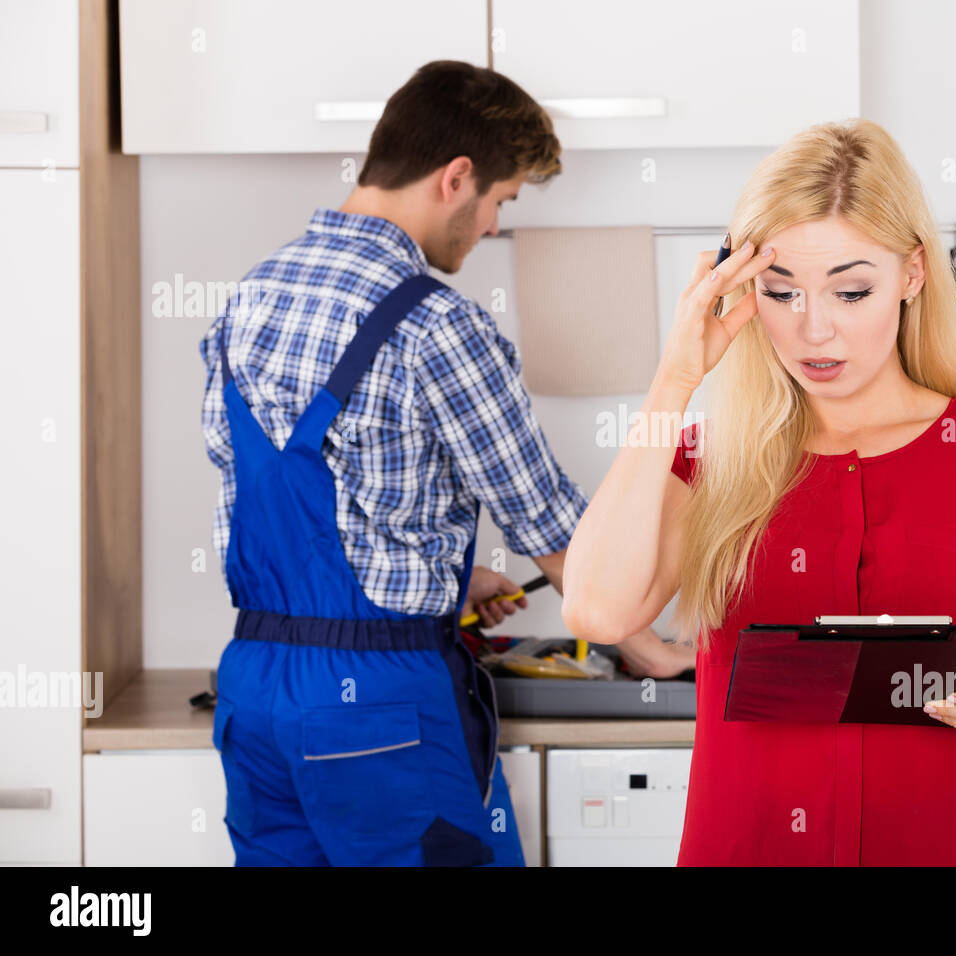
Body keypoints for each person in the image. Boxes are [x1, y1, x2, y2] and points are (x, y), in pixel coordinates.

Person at [561, 118, 956, 866]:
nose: (814, 331)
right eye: (781, 292)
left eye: (850, 292)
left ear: (912, 275)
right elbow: (595, 608)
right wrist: (675, 380)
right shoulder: (708, 461)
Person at [199, 60, 689, 867]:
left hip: (253, 693)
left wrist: (445, 583)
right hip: (380, 708)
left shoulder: (249, 298)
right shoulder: (438, 326)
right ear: (456, 177)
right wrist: (652, 651)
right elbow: (555, 529)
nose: (492, 226)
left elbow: (273, 494)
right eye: (501, 200)